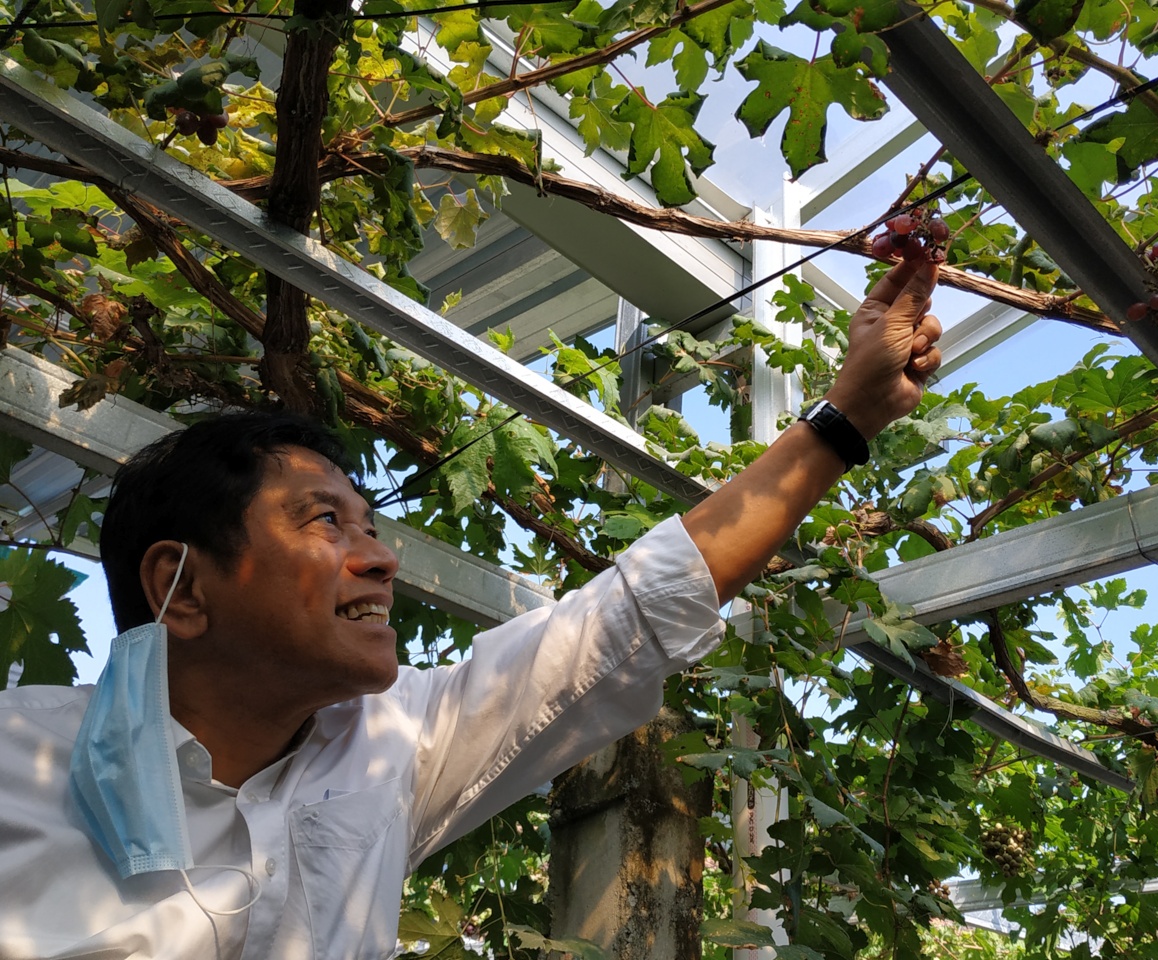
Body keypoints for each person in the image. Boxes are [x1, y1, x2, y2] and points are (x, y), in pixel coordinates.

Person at [0, 260, 942, 959]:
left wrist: (847, 418)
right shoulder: (15, 765)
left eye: (372, 526)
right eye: (325, 521)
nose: (381, 559)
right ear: (182, 585)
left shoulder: (388, 746)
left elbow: (629, 615)